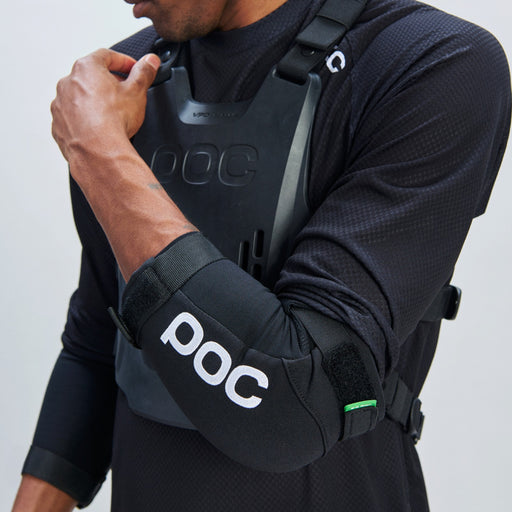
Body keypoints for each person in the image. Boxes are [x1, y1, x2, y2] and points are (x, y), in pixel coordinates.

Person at [12, 0, 511, 510]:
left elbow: (295, 405)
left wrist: (101, 155)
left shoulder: (429, 61)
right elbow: (98, 347)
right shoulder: (120, 86)